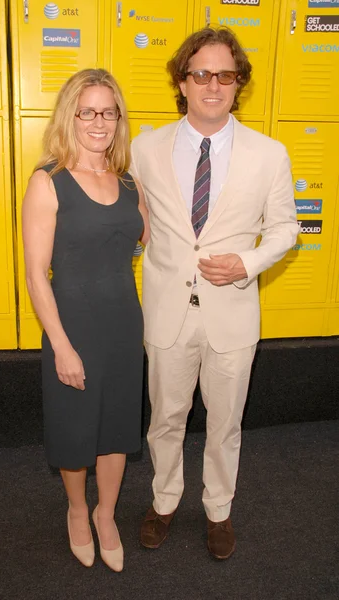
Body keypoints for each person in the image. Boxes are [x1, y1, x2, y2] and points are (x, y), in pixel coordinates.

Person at [130, 27, 299, 559]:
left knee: (226, 424)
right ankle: (163, 500)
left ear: (238, 84)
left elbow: (286, 229)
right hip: (166, 313)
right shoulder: (145, 146)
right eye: (201, 73)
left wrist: (246, 262)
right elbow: (132, 215)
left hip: (232, 314)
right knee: (165, 419)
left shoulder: (269, 154)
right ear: (182, 82)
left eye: (225, 75)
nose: (213, 85)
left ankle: (219, 510)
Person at [22, 68, 149, 572]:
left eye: (109, 112)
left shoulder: (128, 180)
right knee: (76, 431)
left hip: (124, 325)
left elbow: (149, 242)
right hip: (72, 326)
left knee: (118, 428)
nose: (99, 122)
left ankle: (106, 513)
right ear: (70, 116)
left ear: (119, 118)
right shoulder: (47, 181)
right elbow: (35, 274)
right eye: (88, 111)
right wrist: (62, 346)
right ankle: (77, 510)